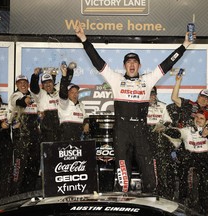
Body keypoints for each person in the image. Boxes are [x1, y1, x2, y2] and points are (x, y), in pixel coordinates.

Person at [74, 20, 195, 193]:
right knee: (123, 178)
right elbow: (97, 61)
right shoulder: (116, 79)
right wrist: (84, 39)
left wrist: (185, 45)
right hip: (122, 130)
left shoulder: (147, 80)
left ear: (139, 65)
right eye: (128, 62)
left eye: (135, 62)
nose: (131, 65)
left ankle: (150, 202)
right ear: (124, 65)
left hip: (141, 130)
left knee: (150, 177)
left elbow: (168, 63)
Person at [171, 74, 208, 205]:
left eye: (206, 98)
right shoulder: (189, 104)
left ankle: (204, 202)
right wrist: (178, 81)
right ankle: (182, 200)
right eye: (202, 97)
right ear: (198, 97)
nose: (204, 100)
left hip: (203, 146)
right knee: (183, 173)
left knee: (205, 176)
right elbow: (174, 97)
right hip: (186, 142)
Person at [163, 109, 208, 215]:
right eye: (196, 117)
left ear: (207, 121)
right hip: (190, 158)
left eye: (201, 118)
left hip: (205, 160)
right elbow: (177, 133)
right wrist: (165, 129)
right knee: (184, 179)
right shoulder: (187, 130)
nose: (198, 120)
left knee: (206, 187)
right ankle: (183, 207)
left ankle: (205, 211)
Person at [8, 75, 40, 195]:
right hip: (21, 139)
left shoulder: (33, 96)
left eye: (25, 83)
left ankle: (29, 195)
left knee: (33, 168)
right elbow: (19, 102)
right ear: (16, 85)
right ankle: (14, 197)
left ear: (28, 84)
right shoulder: (16, 95)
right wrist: (25, 101)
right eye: (20, 83)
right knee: (19, 168)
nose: (23, 85)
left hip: (33, 137)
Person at [147, 86, 176, 199]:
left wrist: (163, 126)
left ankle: (163, 193)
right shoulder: (140, 107)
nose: (151, 97)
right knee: (148, 169)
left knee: (162, 168)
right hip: (146, 141)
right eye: (149, 94)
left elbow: (169, 122)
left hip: (161, 141)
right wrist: (151, 128)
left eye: (153, 94)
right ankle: (150, 191)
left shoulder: (163, 106)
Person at [58, 63, 89, 141]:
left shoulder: (81, 105)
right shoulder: (64, 103)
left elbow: (86, 117)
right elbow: (62, 93)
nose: (75, 94)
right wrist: (64, 76)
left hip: (78, 140)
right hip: (65, 140)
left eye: (76, 92)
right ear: (68, 93)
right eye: (72, 92)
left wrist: (86, 123)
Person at [30, 69, 60, 142]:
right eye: (45, 83)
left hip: (59, 128)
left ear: (53, 83)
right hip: (46, 129)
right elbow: (34, 88)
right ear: (42, 85)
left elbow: (65, 82)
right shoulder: (41, 93)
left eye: (49, 82)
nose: (48, 85)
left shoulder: (58, 91)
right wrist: (35, 76)